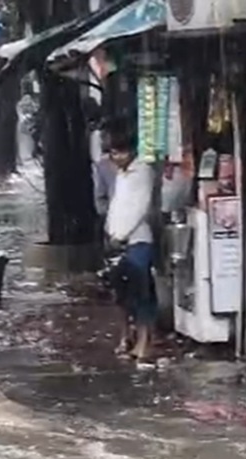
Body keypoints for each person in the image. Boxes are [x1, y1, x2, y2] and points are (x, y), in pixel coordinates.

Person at [105, 132, 157, 361]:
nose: (117, 157)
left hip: (137, 240)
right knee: (121, 294)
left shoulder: (142, 172)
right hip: (117, 240)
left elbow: (140, 207)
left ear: (132, 151)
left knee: (141, 292)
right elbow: (117, 204)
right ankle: (126, 337)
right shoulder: (121, 174)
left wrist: (123, 234)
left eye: (121, 152)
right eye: (113, 153)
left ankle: (145, 342)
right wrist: (110, 231)